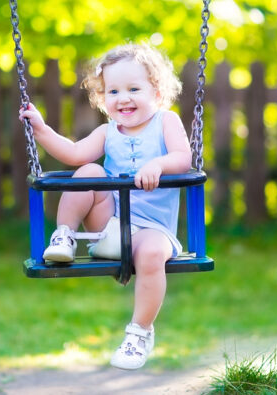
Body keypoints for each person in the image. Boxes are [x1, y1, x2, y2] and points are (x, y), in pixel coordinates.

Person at [19, 43, 192, 370]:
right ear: (102, 98)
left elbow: (183, 158)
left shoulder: (166, 122)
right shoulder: (106, 132)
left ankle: (139, 332)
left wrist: (159, 165)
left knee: (154, 253)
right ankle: (65, 236)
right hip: (108, 226)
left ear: (156, 91)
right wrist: (40, 130)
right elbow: (72, 153)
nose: (123, 97)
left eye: (133, 88)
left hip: (151, 232)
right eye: (113, 90)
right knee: (89, 171)